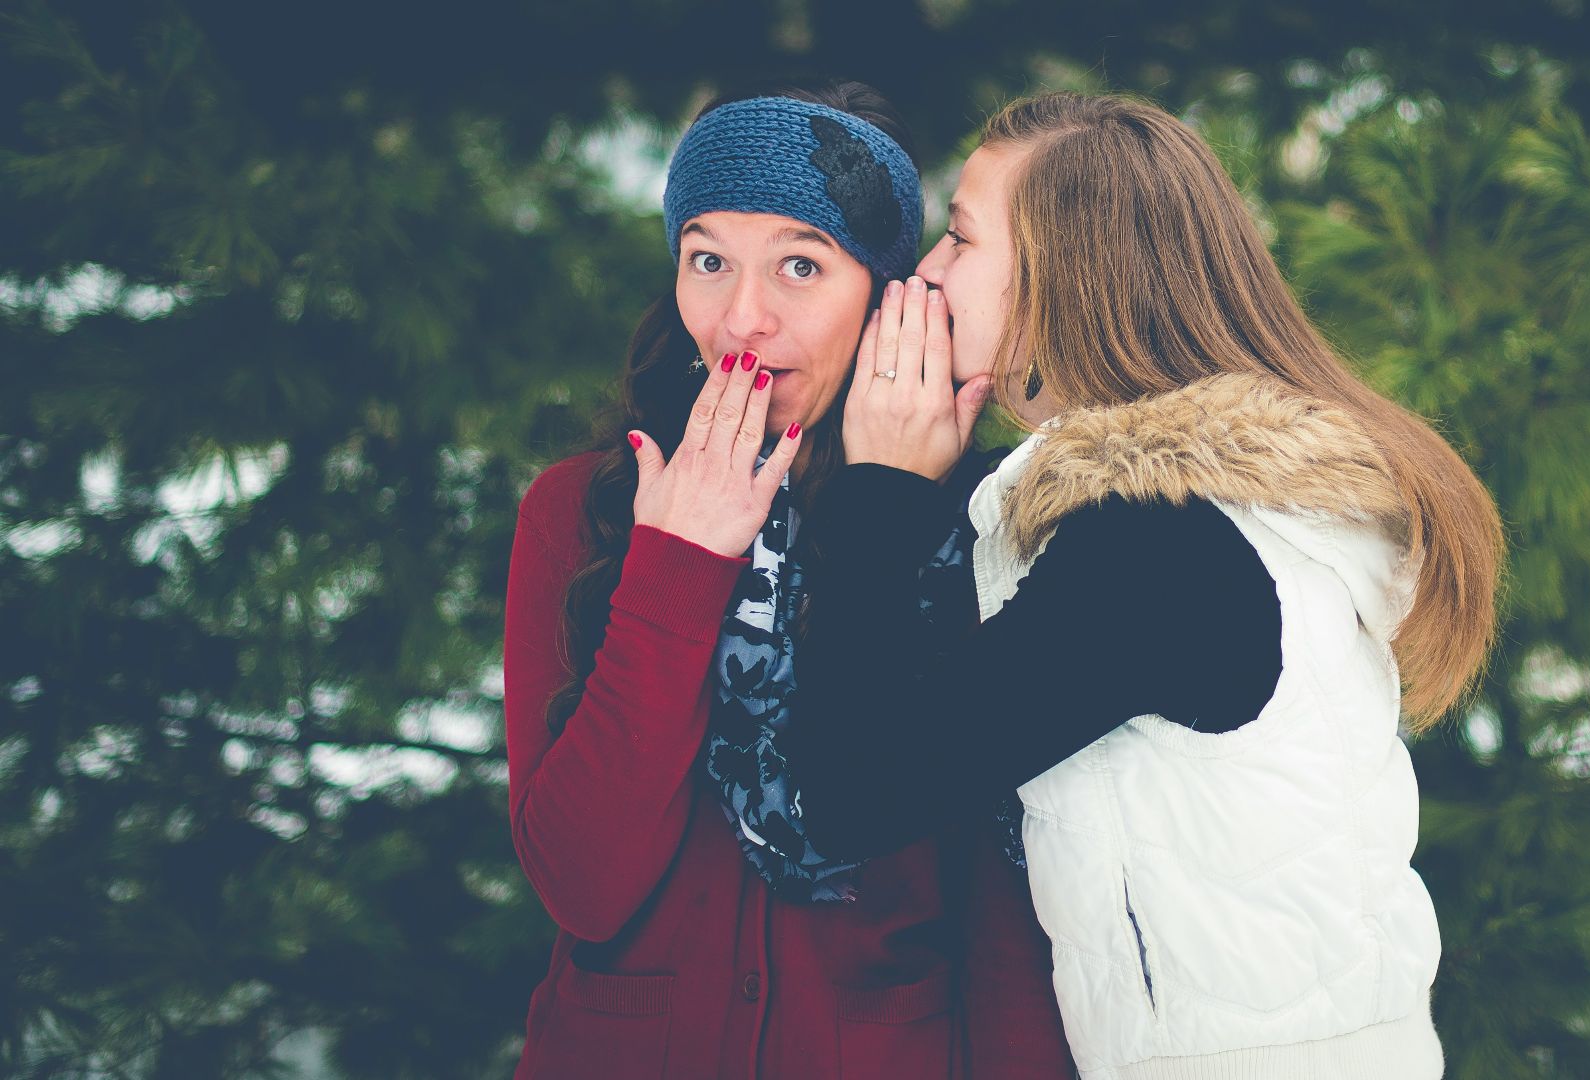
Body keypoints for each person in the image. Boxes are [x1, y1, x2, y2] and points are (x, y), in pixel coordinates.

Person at [780, 91, 1506, 1079]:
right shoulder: (1242, 513)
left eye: (958, 240)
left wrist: (878, 496)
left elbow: (852, 797)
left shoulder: (1156, 553)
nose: (926, 274)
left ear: (1055, 286)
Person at [503, 81, 1071, 1079]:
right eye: (708, 260)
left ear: (887, 295)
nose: (742, 317)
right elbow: (582, 885)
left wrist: (890, 509)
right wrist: (677, 569)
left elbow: (1003, 921)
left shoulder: (977, 524)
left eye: (801, 266)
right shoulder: (580, 513)